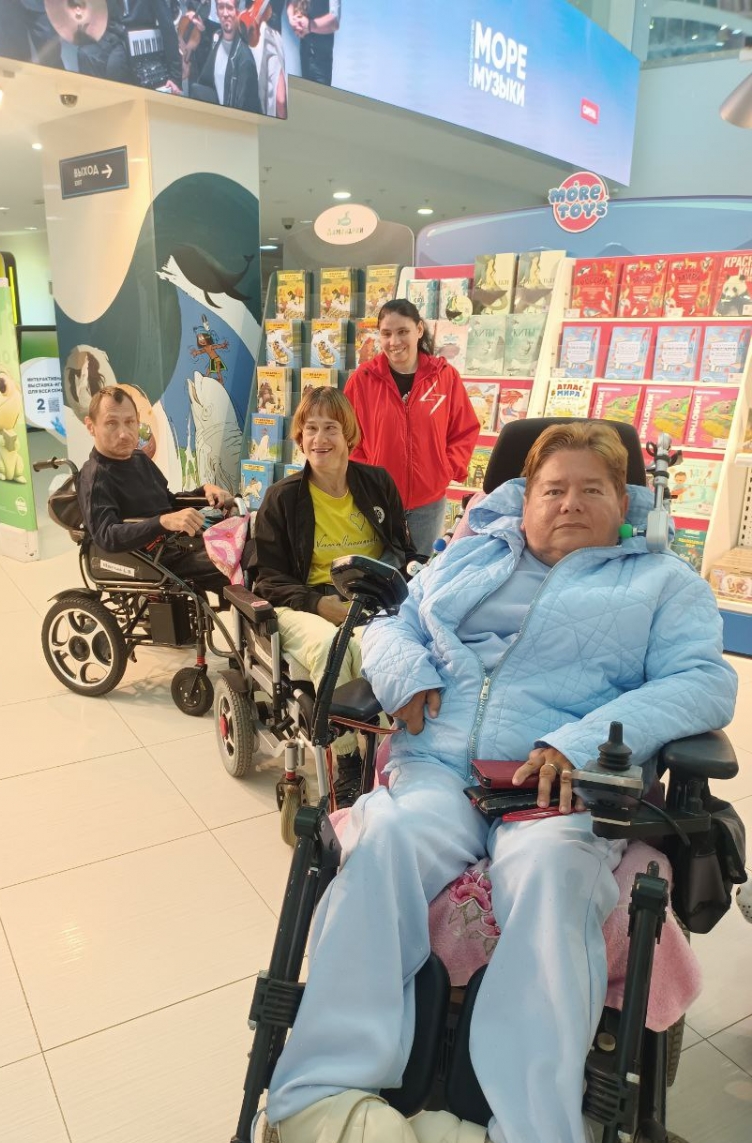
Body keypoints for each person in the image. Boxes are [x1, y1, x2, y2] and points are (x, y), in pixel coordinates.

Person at [265, 421, 737, 1143]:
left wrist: (580, 744)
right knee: (382, 843)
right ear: (524, 499)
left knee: (554, 883)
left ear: (624, 503)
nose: (569, 503)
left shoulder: (663, 583)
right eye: (553, 489)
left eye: (592, 489)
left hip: (556, 790)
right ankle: (320, 1095)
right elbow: (394, 623)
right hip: (437, 768)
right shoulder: (471, 555)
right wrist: (406, 673)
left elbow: (703, 682)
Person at [250, 386, 414, 806]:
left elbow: (402, 549)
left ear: (349, 435)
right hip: (303, 601)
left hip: (369, 599)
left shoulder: (377, 483)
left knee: (384, 647)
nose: (319, 439)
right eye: (310, 429)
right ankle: (347, 759)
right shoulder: (283, 497)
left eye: (330, 428)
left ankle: (390, 751)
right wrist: (320, 604)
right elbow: (268, 577)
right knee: (332, 647)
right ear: (299, 437)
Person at [345, 298, 481, 556]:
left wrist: (444, 469)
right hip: (377, 501)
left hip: (428, 504)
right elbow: (347, 436)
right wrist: (367, 477)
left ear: (419, 330)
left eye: (402, 331)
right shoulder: (362, 380)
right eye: (386, 333)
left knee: (418, 570)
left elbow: (464, 429)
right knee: (376, 570)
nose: (394, 341)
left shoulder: (444, 376)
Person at [77, 385, 232, 595]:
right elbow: (107, 536)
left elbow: (168, 502)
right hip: (150, 561)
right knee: (239, 558)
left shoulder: (139, 459)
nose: (123, 434)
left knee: (250, 538)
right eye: (111, 423)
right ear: (91, 426)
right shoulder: (95, 477)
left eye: (130, 422)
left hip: (176, 545)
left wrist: (204, 491)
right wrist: (163, 522)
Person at [193, 0, 262, 113]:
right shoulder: (217, 42)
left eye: (229, 8)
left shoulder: (245, 59)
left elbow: (246, 109)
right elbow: (205, 84)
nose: (225, 13)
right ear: (216, 11)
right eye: (221, 7)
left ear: (237, 11)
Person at [287, 0, 339, 85]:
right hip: (305, 52)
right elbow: (291, 3)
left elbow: (335, 21)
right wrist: (292, 19)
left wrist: (309, 25)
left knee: (320, 92)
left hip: (322, 59)